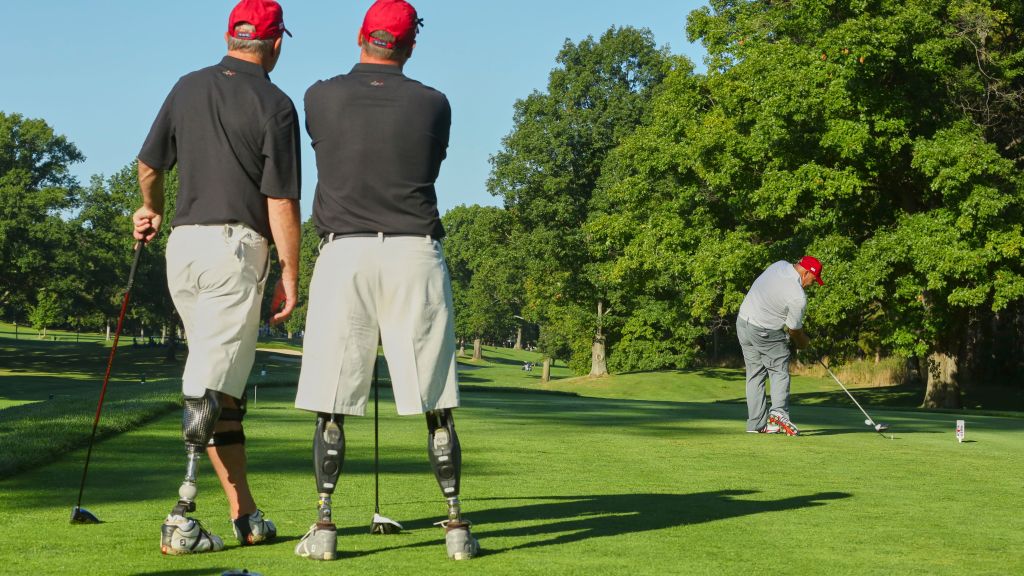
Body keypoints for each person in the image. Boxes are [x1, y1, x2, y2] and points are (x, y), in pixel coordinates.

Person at [293, 0, 478, 561]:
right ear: (410, 45)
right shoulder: (434, 103)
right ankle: (454, 527)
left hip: (344, 253)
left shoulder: (319, 96)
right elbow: (431, 163)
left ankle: (324, 526)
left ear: (361, 36)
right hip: (413, 252)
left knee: (333, 398)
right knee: (435, 401)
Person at [132, 0, 301, 555]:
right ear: (276, 44)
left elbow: (150, 166)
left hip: (183, 249)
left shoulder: (186, 86)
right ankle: (180, 518)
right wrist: (292, 271)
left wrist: (150, 208)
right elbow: (280, 199)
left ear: (230, 36)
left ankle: (244, 513)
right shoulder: (276, 104)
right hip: (235, 250)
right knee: (208, 383)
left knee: (224, 388)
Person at [736, 256, 823, 436]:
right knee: (779, 370)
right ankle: (779, 412)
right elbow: (794, 331)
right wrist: (803, 343)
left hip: (743, 322)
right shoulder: (798, 296)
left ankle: (756, 424)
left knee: (755, 374)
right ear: (806, 272)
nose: (810, 285)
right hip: (764, 330)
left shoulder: (779, 265)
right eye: (813, 281)